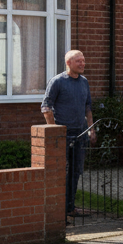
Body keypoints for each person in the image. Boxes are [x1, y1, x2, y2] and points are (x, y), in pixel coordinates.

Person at [42, 50, 95, 219]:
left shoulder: (84, 82)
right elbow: (46, 107)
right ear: (69, 63)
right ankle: (57, 213)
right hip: (63, 135)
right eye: (78, 61)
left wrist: (91, 129)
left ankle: (70, 208)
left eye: (83, 61)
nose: (82, 64)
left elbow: (88, 107)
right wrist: (55, 132)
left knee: (76, 171)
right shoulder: (57, 81)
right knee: (60, 172)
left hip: (80, 134)